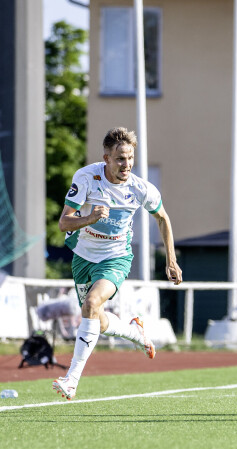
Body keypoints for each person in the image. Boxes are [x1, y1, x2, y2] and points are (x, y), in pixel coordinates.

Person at [52, 127, 183, 400]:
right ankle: (135, 333)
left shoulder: (140, 188)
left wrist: (171, 260)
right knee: (96, 320)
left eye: (130, 158)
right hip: (83, 256)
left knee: (90, 304)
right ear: (106, 158)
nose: (126, 165)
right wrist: (89, 218)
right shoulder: (87, 178)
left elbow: (163, 218)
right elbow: (64, 222)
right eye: (120, 159)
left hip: (116, 258)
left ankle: (71, 379)